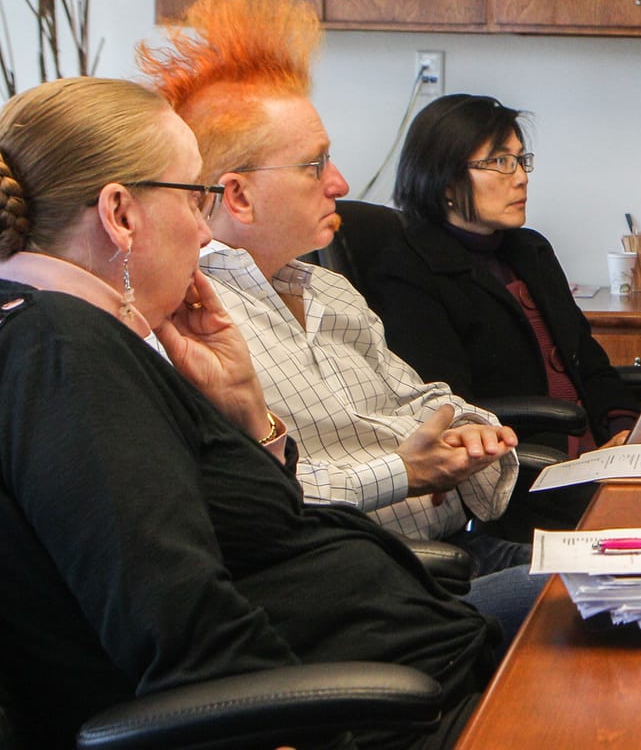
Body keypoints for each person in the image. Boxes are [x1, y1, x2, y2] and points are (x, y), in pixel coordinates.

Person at [0, 77, 499, 748]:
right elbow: (181, 632)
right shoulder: (63, 351)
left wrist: (243, 411)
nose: (207, 229)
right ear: (120, 213)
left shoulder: (81, 340)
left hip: (404, 672)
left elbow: (260, 534)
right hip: (371, 716)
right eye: (195, 197)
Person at [135, 0, 543, 636]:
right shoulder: (187, 327)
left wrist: (470, 435)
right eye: (315, 165)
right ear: (237, 194)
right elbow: (250, 504)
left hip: (457, 553)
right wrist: (403, 471)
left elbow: (422, 397)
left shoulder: (329, 289)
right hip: (375, 590)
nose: (342, 184)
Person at [369, 93, 637, 446]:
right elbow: (450, 412)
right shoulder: (410, 271)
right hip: (522, 465)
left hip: (593, 449)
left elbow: (588, 362)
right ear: (445, 178)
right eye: (500, 161)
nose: (522, 177)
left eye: (521, 160)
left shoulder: (530, 251)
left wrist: (622, 427)